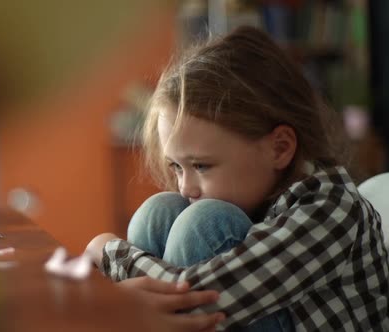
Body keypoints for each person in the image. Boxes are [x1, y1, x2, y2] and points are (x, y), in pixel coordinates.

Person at [86, 26, 389, 332]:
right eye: (176, 167)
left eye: (201, 166)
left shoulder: (332, 210)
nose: (185, 186)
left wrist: (108, 250)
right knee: (161, 210)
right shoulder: (256, 193)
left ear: (279, 148)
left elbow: (194, 302)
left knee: (204, 221)